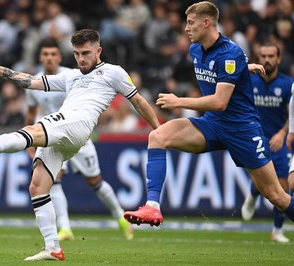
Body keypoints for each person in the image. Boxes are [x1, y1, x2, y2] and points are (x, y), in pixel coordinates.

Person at [0, 29, 160, 261]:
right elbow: (31, 81)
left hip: (80, 123)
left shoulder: (113, 72)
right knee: (38, 185)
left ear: (98, 51)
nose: (81, 58)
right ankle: (52, 247)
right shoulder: (71, 76)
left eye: (86, 53)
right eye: (77, 54)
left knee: (33, 130)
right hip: (66, 134)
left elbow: (138, 100)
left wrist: (158, 128)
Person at [124, 1, 294, 228]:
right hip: (213, 124)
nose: (186, 28)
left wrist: (179, 100)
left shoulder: (230, 53)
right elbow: (229, 68)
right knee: (158, 136)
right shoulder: (196, 49)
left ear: (206, 23)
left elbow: (220, 101)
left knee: (276, 195)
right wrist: (247, 67)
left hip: (242, 129)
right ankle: (152, 207)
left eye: (190, 23)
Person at [25, 38, 134, 241]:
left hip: (78, 136)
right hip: (52, 137)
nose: (49, 58)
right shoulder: (35, 82)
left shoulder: (73, 76)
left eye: (53, 54)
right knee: (54, 181)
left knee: (95, 182)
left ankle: (120, 216)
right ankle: (65, 228)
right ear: (41, 57)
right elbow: (31, 112)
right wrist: (29, 139)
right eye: (45, 54)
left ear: (59, 56)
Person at [241, 43, 293, 243]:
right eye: (264, 56)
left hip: (278, 141)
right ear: (258, 57)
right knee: (261, 181)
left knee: (281, 186)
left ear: (278, 59)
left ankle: (277, 230)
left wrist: (282, 133)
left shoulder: (288, 85)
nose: (267, 60)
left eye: (272, 56)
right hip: (255, 138)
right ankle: (253, 194)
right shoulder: (249, 81)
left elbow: (293, 113)